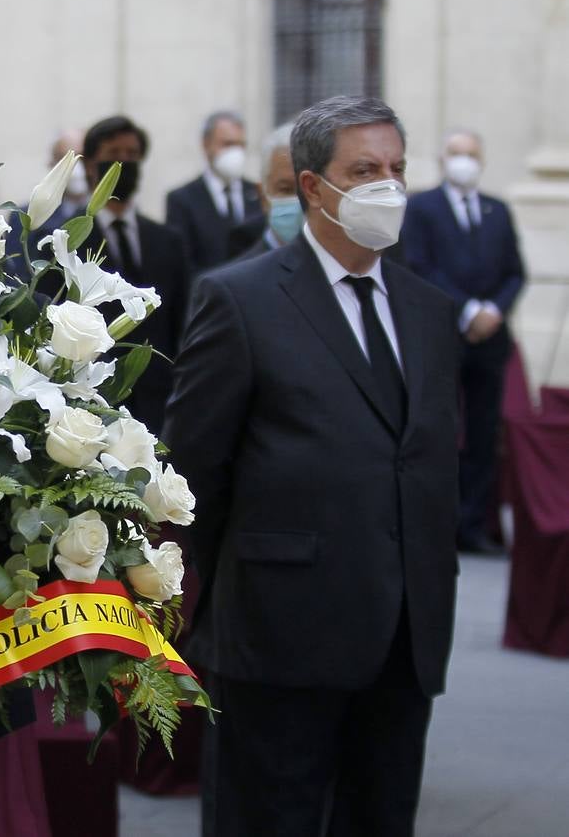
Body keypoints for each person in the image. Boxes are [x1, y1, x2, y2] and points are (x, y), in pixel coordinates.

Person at [164, 95, 460, 837]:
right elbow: (193, 470)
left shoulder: (426, 310)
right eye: (363, 170)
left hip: (403, 639)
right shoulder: (239, 299)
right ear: (310, 187)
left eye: (395, 168)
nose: (386, 186)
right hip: (277, 635)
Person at [23, 115, 189, 435]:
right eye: (114, 154)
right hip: (94, 396)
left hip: (160, 399)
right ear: (90, 166)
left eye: (132, 155)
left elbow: (180, 323)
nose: (124, 163)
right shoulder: (64, 240)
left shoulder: (169, 241)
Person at [401, 129, 524, 554]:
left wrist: (493, 311)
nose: (464, 162)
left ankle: (472, 525)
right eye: (456, 153)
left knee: (483, 434)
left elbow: (515, 272)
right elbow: (419, 266)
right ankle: (438, 526)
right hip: (444, 336)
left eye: (471, 154)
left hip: (491, 341)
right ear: (441, 158)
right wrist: (469, 310)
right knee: (438, 431)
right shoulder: (421, 208)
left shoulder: (497, 210)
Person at [165, 110, 263, 271]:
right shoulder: (182, 200)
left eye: (241, 145)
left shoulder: (258, 193)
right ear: (206, 144)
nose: (236, 153)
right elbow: (181, 263)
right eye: (228, 144)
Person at [225, 122, 302, 262]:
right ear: (262, 194)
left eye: (309, 189)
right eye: (285, 189)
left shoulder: (349, 272)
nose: (300, 201)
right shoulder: (232, 282)